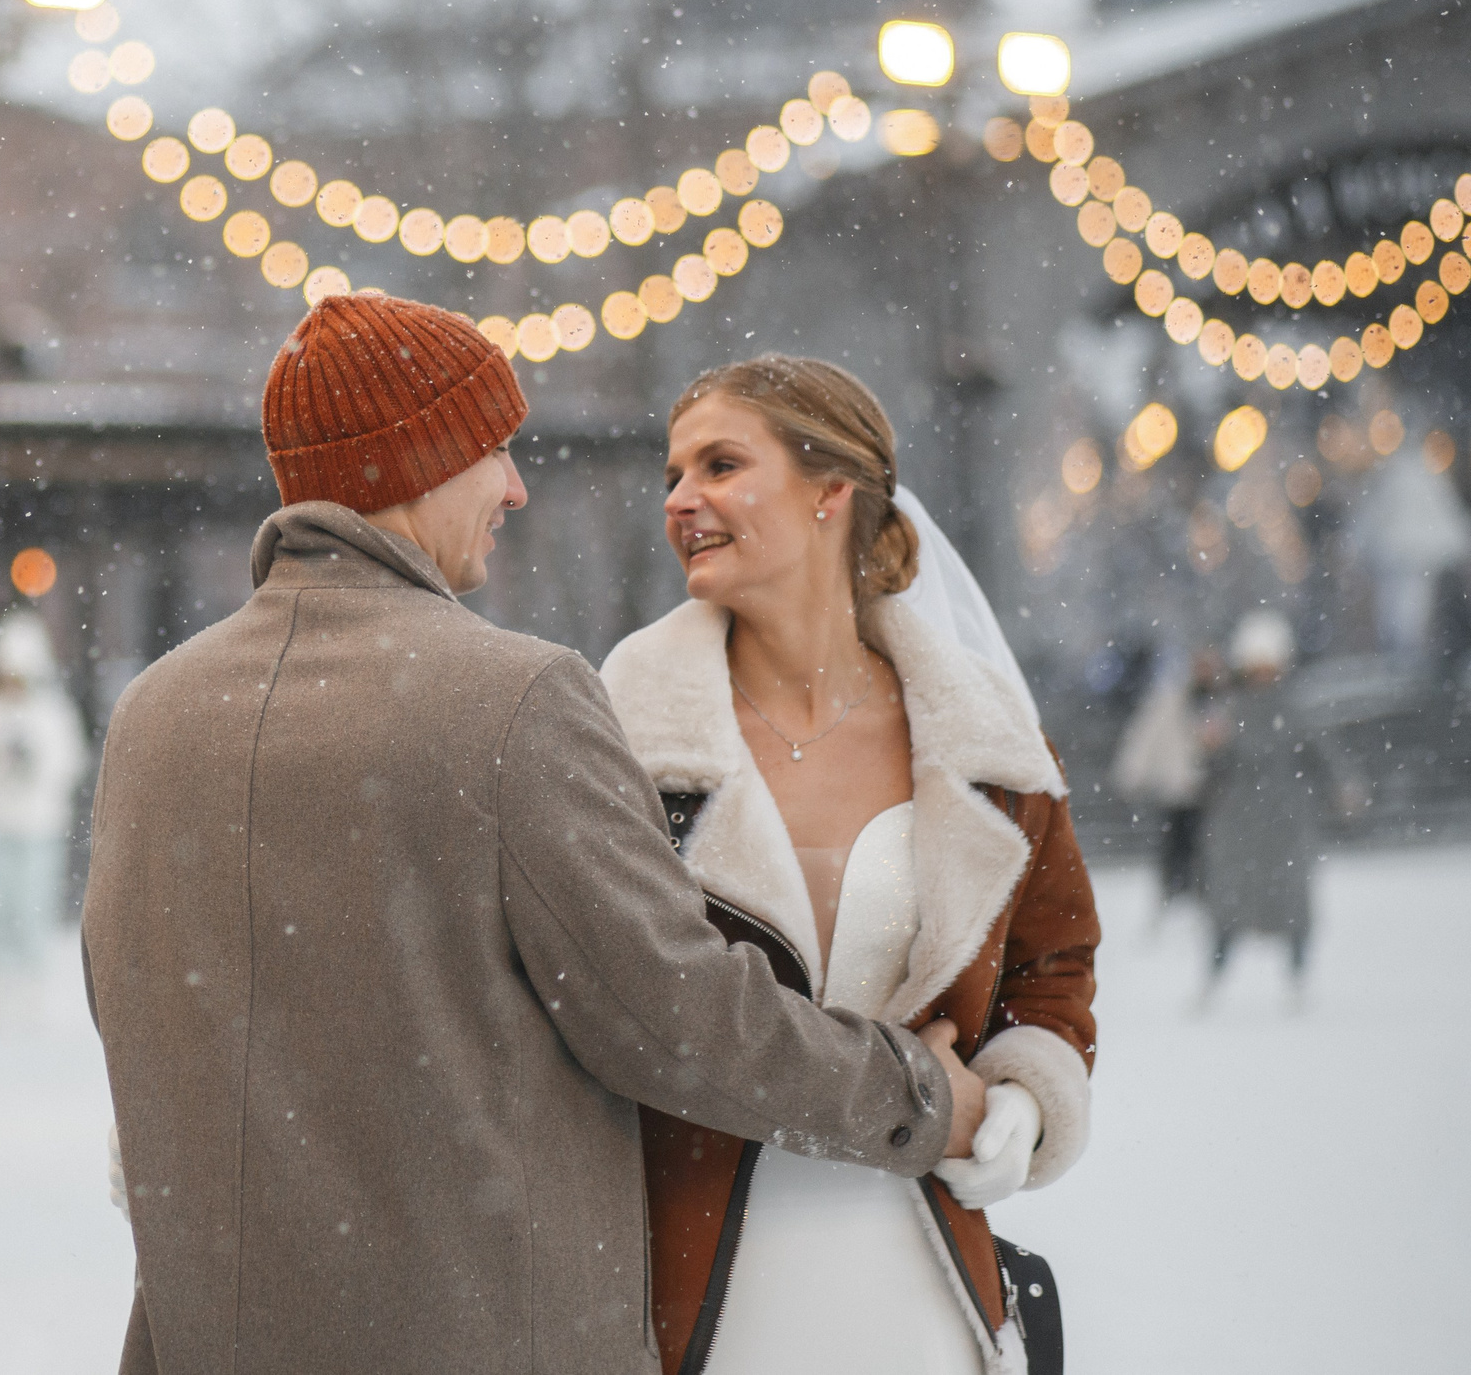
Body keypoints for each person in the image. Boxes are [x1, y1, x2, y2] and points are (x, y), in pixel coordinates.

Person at [83, 295, 980, 1375]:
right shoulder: (512, 702)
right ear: (416, 463)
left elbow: (139, 1019)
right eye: (491, 451)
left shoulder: (155, 714)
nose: (514, 485)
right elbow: (675, 1016)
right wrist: (915, 1097)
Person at [599, 355, 1099, 1375]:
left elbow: (1054, 971)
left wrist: (1022, 1100)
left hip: (918, 1274)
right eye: (671, 476)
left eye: (721, 465)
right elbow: (605, 1004)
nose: (680, 501)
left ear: (833, 492)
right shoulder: (618, 736)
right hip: (692, 1282)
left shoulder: (987, 743)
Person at [0, 608, 91, 1002]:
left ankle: (31, 978)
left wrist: (35, 764)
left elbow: (68, 763)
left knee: (33, 904)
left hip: (38, 824)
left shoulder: (53, 712)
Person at [1199, 609, 1325, 1001]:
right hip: (1238, 822)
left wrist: (1344, 785)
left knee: (1292, 902)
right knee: (1229, 904)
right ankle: (1215, 977)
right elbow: (1211, 766)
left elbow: (1319, 753)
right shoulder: (1229, 708)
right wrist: (1211, 748)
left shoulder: (1293, 707)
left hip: (1284, 818)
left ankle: (1297, 978)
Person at [1110, 645, 1220, 911]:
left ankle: (1202, 896)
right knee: (1177, 846)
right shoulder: (1172, 700)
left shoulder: (1224, 700)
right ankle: (1175, 897)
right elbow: (1145, 737)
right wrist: (1129, 774)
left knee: (1208, 848)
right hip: (1179, 790)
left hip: (1215, 793)